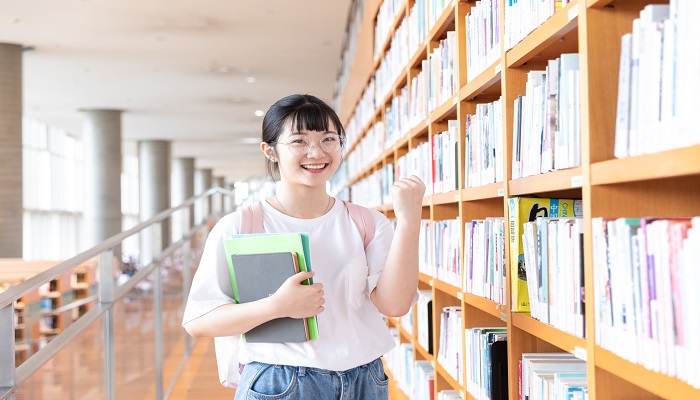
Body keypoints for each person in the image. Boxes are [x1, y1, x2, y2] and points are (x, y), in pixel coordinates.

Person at [182, 93, 425, 399]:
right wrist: (277, 306)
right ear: (270, 151)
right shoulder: (240, 226)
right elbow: (198, 321)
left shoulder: (366, 222)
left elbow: (395, 305)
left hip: (365, 379)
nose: (317, 152)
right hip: (280, 382)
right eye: (299, 141)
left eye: (328, 139)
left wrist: (409, 220)